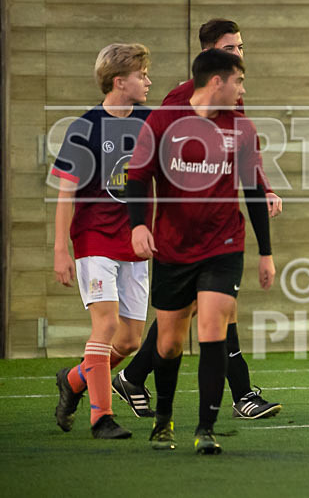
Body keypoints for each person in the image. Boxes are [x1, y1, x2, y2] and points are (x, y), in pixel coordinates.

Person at [112, 18, 282, 422]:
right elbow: (158, 163)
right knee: (180, 324)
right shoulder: (179, 101)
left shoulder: (231, 99)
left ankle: (228, 395)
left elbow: (241, 155)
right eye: (231, 47)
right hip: (180, 234)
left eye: (241, 47)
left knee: (212, 314)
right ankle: (133, 381)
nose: (238, 54)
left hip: (218, 236)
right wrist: (147, 221)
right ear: (209, 56)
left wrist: (263, 187)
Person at [52, 43, 154, 438]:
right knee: (107, 324)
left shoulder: (150, 123)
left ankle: (74, 381)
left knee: (129, 339)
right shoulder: (85, 127)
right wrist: (61, 249)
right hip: (94, 238)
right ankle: (102, 418)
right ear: (119, 81)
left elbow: (157, 183)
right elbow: (65, 192)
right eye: (141, 75)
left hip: (134, 242)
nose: (148, 81)